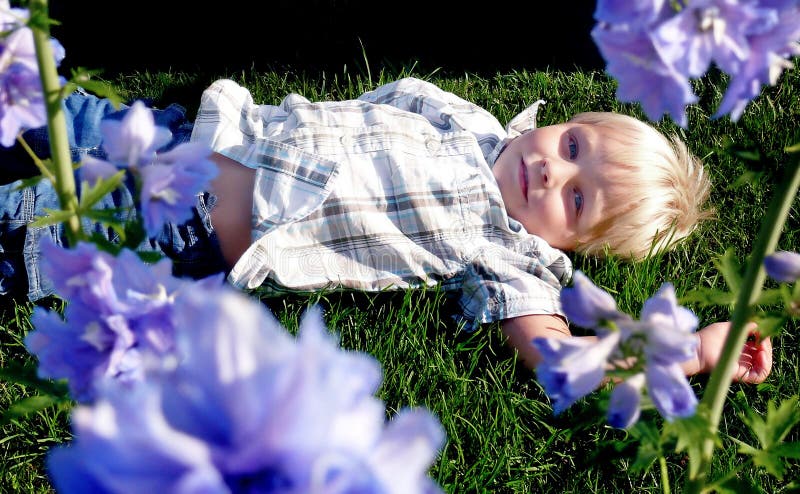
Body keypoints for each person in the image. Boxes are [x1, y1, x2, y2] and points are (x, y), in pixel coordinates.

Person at [0, 77, 772, 384]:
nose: (552, 173)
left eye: (576, 201)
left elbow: (558, 357)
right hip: (190, 139)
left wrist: (695, 352)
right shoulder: (467, 120)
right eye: (572, 149)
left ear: (565, 246)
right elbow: (382, 99)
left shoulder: (509, 257)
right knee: (38, 103)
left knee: (27, 236)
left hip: (183, 234)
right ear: (566, 123)